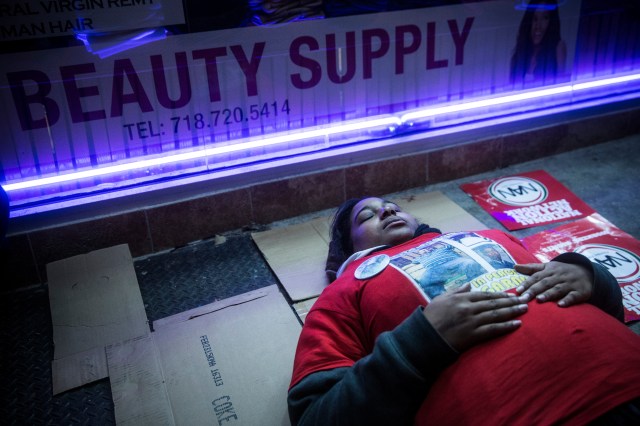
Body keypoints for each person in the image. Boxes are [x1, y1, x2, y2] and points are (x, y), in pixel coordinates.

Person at [288, 196, 640, 425]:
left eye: (392, 205)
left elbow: (609, 311)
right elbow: (316, 416)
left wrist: (591, 277)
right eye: (366, 215)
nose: (387, 209)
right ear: (348, 249)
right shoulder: (343, 291)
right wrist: (419, 342)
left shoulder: (490, 235)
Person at [510, 0, 567, 86]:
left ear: (551, 21)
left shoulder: (558, 48)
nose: (538, 26)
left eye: (545, 18)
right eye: (534, 18)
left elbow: (560, 87)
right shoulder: (519, 53)